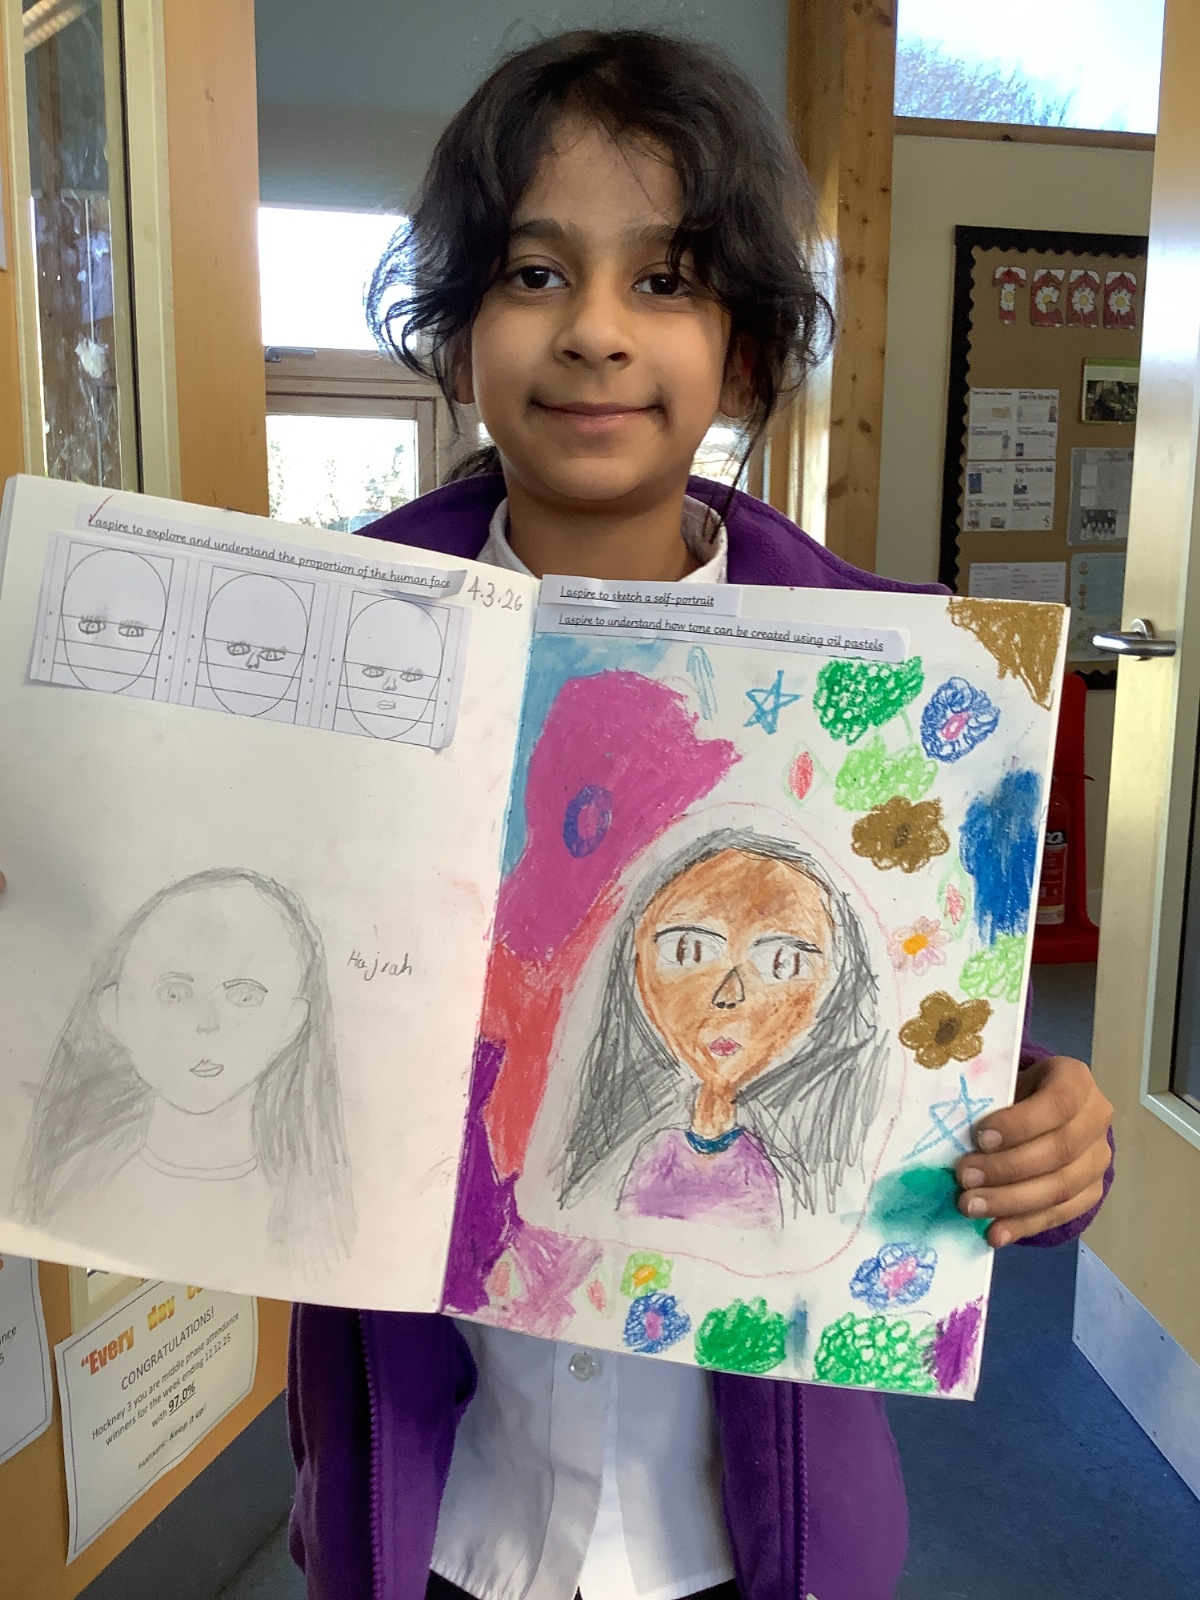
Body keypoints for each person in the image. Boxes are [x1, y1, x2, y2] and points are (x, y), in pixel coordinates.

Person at [288, 29, 1115, 1600]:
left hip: (742, 1535)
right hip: (445, 1508)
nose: (596, 331)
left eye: (663, 280)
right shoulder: (325, 654)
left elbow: (945, 1067)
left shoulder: (898, 693)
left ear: (742, 356)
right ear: (457, 339)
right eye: (535, 272)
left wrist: (1048, 1133)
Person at [16, 867, 353, 1273]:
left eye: (245, 996)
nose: (207, 1022)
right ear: (113, 1011)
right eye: (174, 993)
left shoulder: (314, 1224)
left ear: (292, 1023)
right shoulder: (69, 1201)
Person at [555, 826, 887, 1231]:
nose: (730, 994)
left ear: (834, 986)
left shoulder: (813, 1183)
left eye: (782, 963)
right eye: (689, 952)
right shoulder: (638, 1160)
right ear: (636, 963)